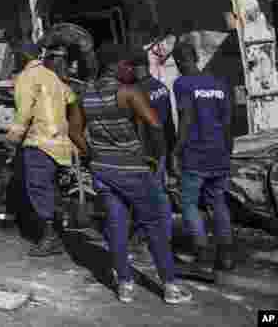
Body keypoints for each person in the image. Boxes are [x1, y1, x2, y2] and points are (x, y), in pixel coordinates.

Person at [69, 42, 192, 304]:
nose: (131, 69)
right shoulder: (128, 93)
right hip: (133, 170)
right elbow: (155, 126)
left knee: (116, 226)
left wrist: (92, 153)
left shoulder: (84, 94)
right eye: (127, 65)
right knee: (154, 226)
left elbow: (74, 132)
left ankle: (125, 285)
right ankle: (170, 286)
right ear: (117, 66)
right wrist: (157, 157)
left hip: (103, 170)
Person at [6, 42, 78, 256]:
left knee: (38, 188)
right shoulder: (51, 75)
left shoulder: (25, 78)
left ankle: (50, 238)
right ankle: (57, 229)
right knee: (50, 188)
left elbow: (24, 113)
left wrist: (12, 138)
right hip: (59, 143)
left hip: (39, 141)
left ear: (22, 56)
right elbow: (72, 98)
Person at [172, 40, 235, 276]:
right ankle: (226, 256)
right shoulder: (219, 83)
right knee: (218, 202)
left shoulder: (182, 84)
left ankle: (202, 256)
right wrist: (228, 151)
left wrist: (175, 151)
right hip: (219, 153)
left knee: (188, 203)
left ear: (178, 61)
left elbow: (186, 119)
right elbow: (228, 121)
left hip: (195, 155)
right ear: (196, 57)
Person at [125, 47, 177, 258]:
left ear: (134, 67)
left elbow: (137, 126)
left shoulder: (136, 91)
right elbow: (169, 123)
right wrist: (171, 150)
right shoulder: (161, 87)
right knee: (160, 193)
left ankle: (149, 240)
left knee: (147, 195)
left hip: (146, 151)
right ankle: (164, 236)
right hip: (162, 147)